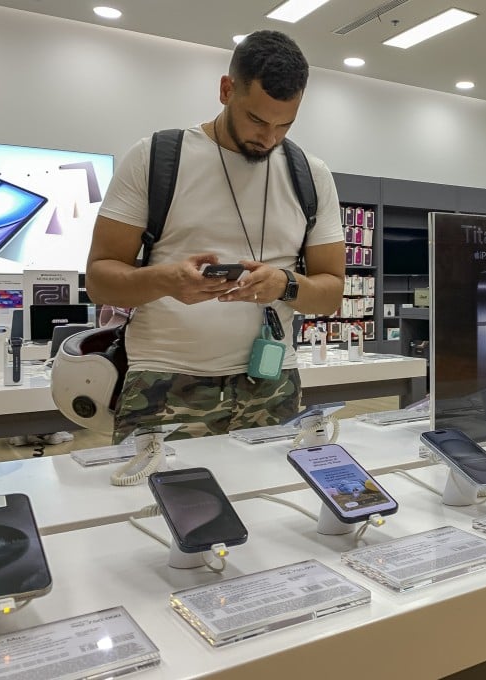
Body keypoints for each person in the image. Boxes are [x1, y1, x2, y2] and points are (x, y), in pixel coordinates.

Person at [86, 30, 345, 443]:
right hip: (164, 379)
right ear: (226, 90)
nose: (269, 137)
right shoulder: (154, 158)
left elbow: (330, 293)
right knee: (154, 502)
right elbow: (99, 280)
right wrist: (168, 281)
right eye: (257, 120)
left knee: (270, 503)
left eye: (285, 124)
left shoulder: (310, 174)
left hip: (272, 380)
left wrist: (286, 284)